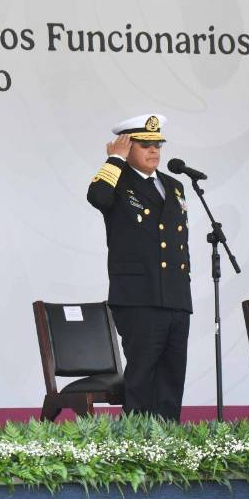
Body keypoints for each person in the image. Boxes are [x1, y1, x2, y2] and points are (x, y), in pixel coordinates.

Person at [87, 114, 192, 421]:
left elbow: (179, 241)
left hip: (175, 295)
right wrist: (114, 160)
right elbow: (96, 196)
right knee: (142, 375)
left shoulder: (174, 185)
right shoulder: (118, 181)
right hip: (138, 296)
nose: (153, 150)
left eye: (157, 144)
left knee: (172, 377)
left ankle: (168, 439)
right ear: (127, 146)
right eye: (144, 145)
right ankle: (137, 443)